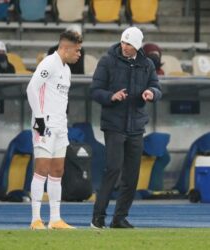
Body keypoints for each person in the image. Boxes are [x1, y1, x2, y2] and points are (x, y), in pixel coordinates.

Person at [90, 27, 162, 229]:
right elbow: (94, 90)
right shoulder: (107, 61)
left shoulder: (147, 65)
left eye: (129, 44)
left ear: (137, 46)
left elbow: (157, 88)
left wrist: (151, 93)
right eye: (123, 42)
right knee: (113, 169)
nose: (124, 46)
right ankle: (98, 217)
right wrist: (111, 96)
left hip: (136, 126)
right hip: (114, 125)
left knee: (132, 175)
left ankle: (119, 218)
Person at [26, 30, 82, 230]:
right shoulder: (49, 63)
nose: (79, 54)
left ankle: (55, 219)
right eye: (77, 50)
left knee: (58, 171)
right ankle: (35, 219)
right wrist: (39, 118)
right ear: (65, 48)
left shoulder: (66, 69)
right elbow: (32, 88)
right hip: (45, 124)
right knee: (41, 170)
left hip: (60, 125)